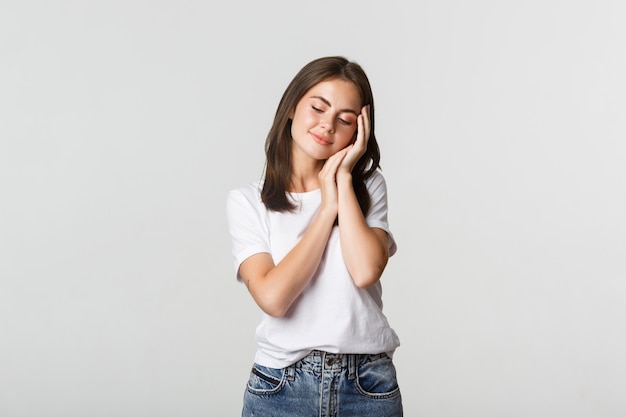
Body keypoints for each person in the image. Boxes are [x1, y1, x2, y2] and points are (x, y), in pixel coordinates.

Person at [226, 56, 402, 416]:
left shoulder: (368, 187)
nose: (327, 125)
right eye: (318, 108)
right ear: (292, 106)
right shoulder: (248, 202)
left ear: (359, 130)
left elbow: (366, 270)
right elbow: (274, 298)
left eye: (345, 119)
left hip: (367, 385)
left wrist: (340, 182)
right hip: (280, 387)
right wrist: (326, 211)